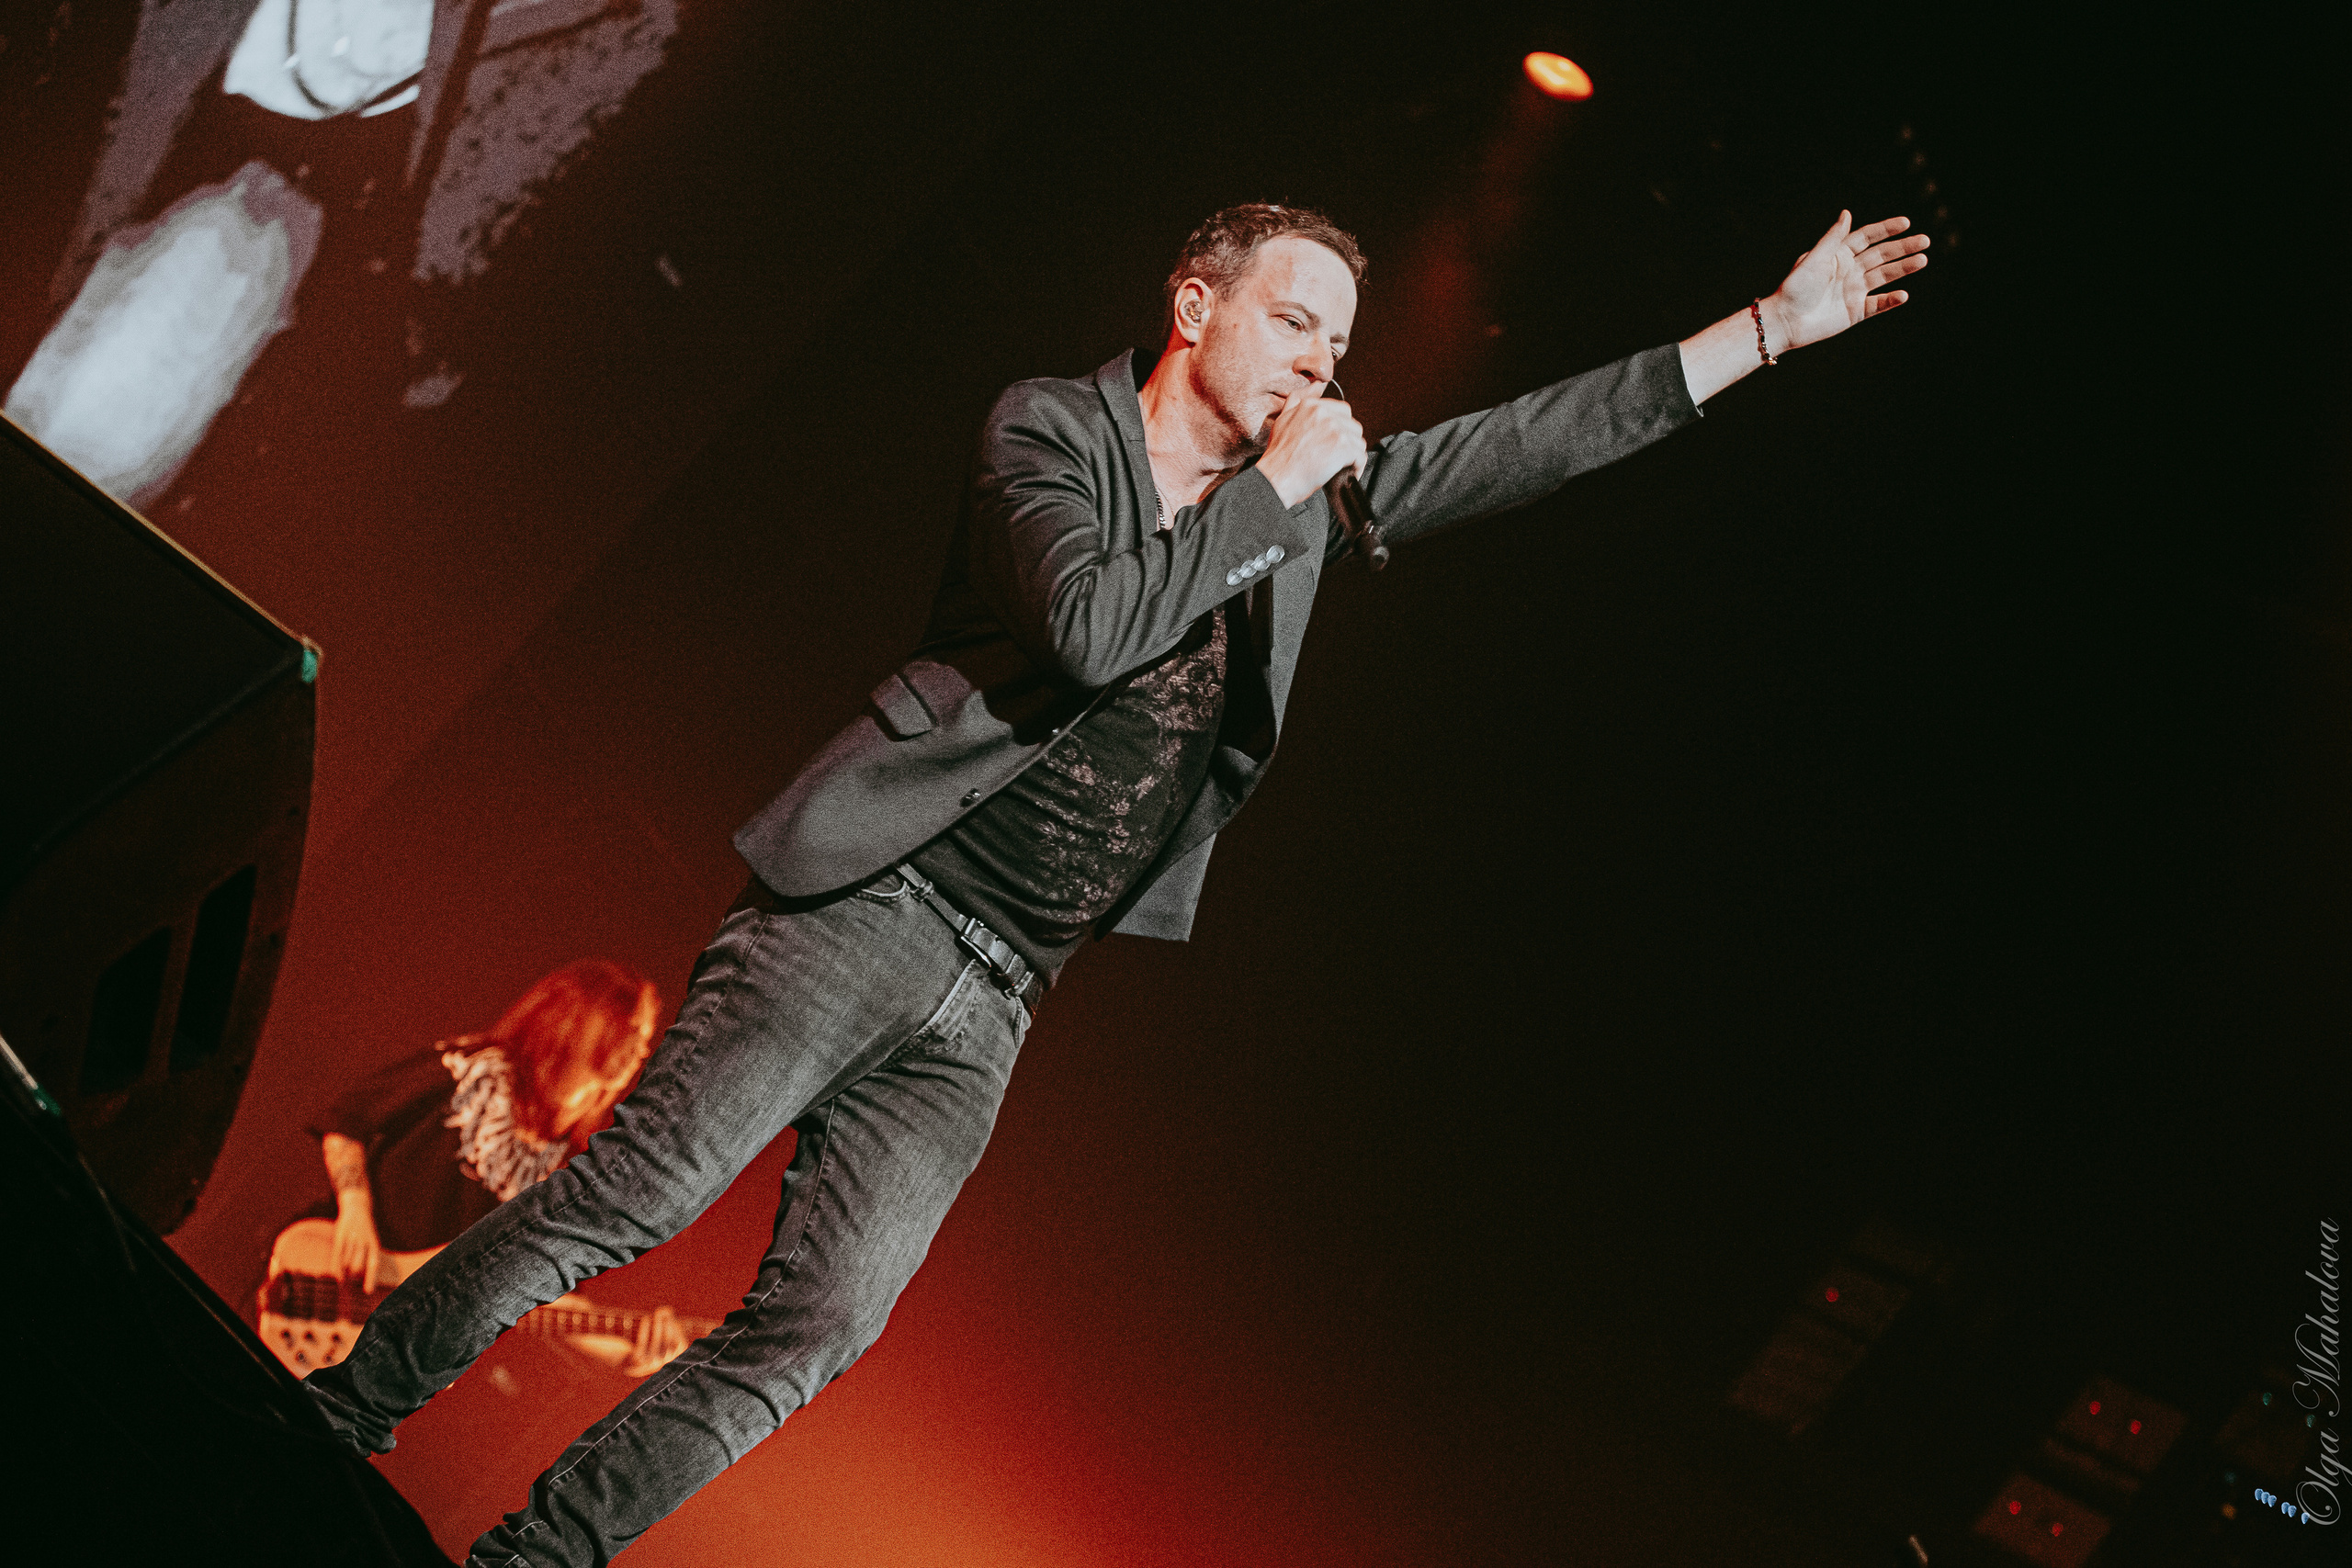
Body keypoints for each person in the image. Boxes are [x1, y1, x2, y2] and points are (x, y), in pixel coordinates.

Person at [303, 200, 1928, 1563]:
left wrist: (1768, 331)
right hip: (869, 902)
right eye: (1296, 323)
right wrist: (1278, 502)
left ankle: (537, 1556)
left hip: (997, 992)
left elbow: (1517, 448)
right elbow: (1086, 627)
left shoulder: (1293, 502)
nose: (1319, 366)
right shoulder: (1050, 429)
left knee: (819, 1329)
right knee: (630, 1203)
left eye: (1338, 349)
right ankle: (331, 1417)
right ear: (1193, 300)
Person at [299, 958, 690, 1378]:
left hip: (402, 1355)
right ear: (574, 1019)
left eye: (645, 1037)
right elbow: (345, 1119)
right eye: (627, 1027)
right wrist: (355, 1210)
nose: (639, 1047)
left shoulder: (576, 1161)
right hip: (329, 1282)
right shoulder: (470, 1067)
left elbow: (542, 1298)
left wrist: (632, 1354)